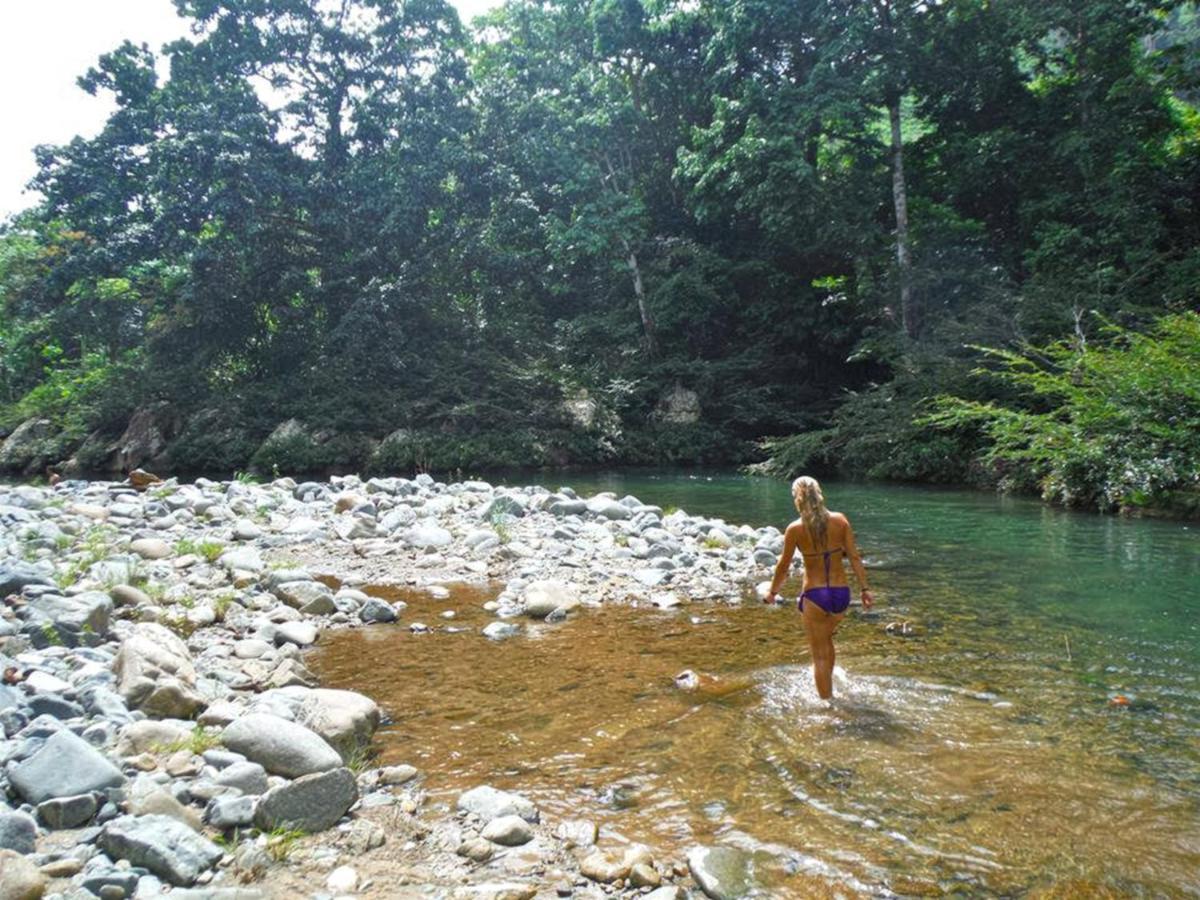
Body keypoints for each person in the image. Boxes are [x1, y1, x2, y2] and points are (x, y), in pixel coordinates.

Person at [765, 476, 873, 699]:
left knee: (819, 655)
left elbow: (783, 566)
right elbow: (854, 557)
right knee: (827, 640)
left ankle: (827, 706)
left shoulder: (795, 529)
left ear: (797, 498)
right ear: (820, 493)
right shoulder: (840, 520)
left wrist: (773, 592)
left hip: (815, 595)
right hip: (841, 594)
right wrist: (865, 589)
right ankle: (829, 686)